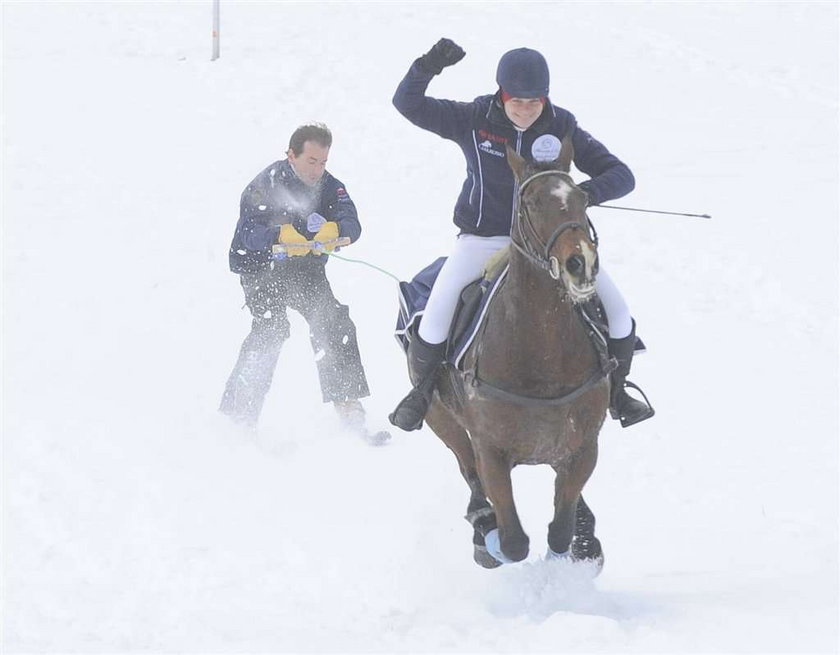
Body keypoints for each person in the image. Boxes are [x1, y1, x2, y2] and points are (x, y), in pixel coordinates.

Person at [389, 39, 654, 431]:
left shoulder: (561, 124)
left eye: (535, 102)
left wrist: (583, 195)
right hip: (484, 240)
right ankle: (422, 393)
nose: (527, 110)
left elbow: (622, 175)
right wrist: (427, 66)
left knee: (617, 312)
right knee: (436, 317)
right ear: (502, 94)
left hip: (549, 244)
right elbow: (407, 104)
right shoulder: (475, 118)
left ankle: (618, 394)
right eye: (518, 101)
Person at [220, 123, 388, 443]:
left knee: (333, 319)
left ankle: (349, 409)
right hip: (260, 267)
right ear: (291, 155)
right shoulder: (264, 184)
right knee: (271, 328)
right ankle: (238, 416)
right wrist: (277, 236)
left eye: (323, 162)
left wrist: (337, 231)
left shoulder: (330, 187)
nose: (317, 169)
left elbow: (352, 220)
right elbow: (244, 236)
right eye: (311, 161)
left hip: (303, 269)